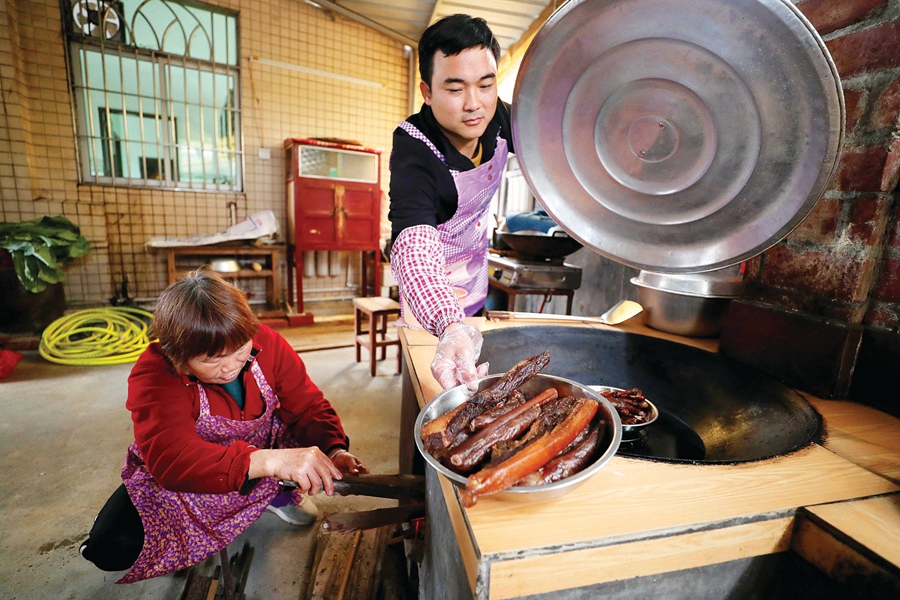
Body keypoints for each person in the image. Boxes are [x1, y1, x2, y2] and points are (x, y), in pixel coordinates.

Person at [79, 267, 368, 583]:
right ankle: (255, 489)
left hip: (260, 445)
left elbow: (308, 406)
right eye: (212, 359)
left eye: (240, 349)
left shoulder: (267, 343)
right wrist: (269, 462)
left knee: (313, 439)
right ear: (178, 357)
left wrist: (334, 450)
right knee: (112, 547)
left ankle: (275, 492)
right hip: (201, 469)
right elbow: (172, 460)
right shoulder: (155, 375)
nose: (231, 366)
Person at [388, 14, 514, 392]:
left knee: (476, 383)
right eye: (456, 89)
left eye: (486, 85)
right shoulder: (414, 149)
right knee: (430, 390)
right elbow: (413, 246)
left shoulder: (499, 116)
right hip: (428, 297)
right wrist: (449, 323)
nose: (475, 104)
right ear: (427, 92)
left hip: (474, 279)